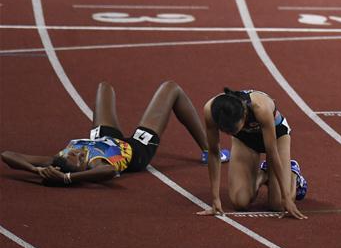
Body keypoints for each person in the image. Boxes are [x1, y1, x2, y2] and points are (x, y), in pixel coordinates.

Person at [1, 81, 217, 185]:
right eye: (79, 159)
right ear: (82, 168)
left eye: (73, 154)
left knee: (104, 87)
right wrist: (68, 178)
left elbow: (7, 155)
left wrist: (36, 170)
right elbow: (110, 172)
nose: (78, 153)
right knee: (171, 89)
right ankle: (209, 149)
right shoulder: (96, 164)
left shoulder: (56, 159)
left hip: (104, 138)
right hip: (135, 149)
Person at [198, 88, 307, 220]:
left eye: (233, 129)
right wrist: (215, 199)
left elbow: (272, 152)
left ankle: (293, 173)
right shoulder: (210, 110)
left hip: (277, 136)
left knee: (278, 204)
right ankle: (264, 174)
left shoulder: (261, 108)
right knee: (240, 202)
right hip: (245, 140)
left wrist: (286, 197)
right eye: (225, 131)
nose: (228, 133)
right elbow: (214, 153)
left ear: (244, 114)